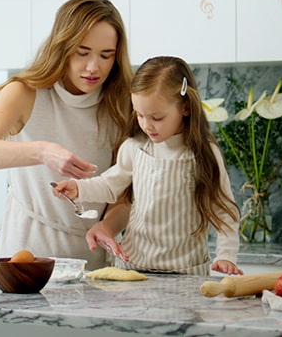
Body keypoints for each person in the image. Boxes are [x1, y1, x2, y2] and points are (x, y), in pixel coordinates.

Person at [0, 0, 134, 268]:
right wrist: (41, 151)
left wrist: (108, 227)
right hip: (24, 255)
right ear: (62, 46)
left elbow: (123, 192)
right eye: (82, 52)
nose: (93, 67)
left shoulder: (121, 105)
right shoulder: (24, 93)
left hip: (90, 259)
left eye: (106, 55)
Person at [53, 56, 244, 275]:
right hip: (134, 268)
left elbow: (225, 211)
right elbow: (109, 185)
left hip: (186, 273)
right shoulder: (135, 147)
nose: (146, 125)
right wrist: (79, 189)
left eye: (156, 117)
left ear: (186, 108)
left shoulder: (204, 154)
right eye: (140, 115)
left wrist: (226, 255)